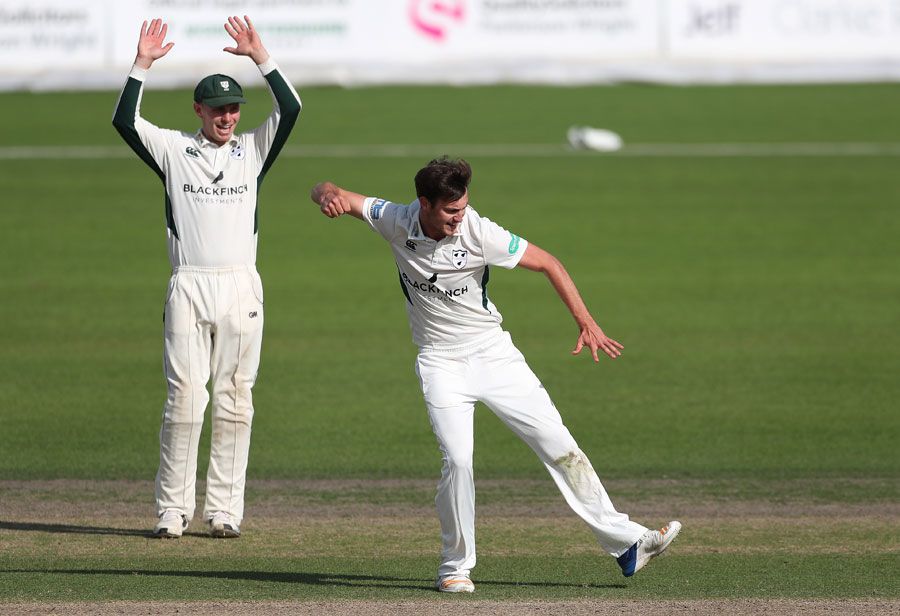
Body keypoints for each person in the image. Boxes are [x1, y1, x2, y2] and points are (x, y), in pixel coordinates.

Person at [310, 158, 681, 591]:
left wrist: (586, 321)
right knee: (459, 461)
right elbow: (325, 186)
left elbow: (549, 263)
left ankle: (628, 544)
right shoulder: (394, 218)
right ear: (424, 204)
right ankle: (454, 568)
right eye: (450, 211)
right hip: (440, 362)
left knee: (560, 446)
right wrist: (328, 196)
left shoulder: (480, 232)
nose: (459, 218)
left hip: (494, 355)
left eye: (464, 207)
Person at [112, 16, 301, 539]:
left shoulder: (252, 152)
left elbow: (291, 109)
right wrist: (142, 65)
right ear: (199, 110)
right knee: (185, 400)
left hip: (241, 285)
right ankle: (172, 509)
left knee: (236, 398)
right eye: (218, 109)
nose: (227, 117)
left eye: (234, 108)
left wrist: (262, 56)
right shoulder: (174, 150)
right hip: (189, 285)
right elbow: (125, 122)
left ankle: (224, 510)